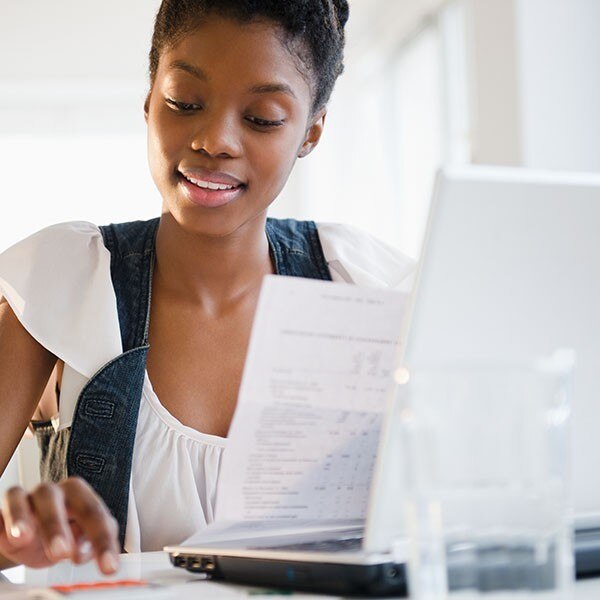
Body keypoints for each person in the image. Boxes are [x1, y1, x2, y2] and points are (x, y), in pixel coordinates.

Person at [0, 0, 413, 576]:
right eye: (184, 103)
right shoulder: (60, 288)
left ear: (310, 132)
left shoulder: (364, 287)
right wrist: (14, 542)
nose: (215, 139)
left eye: (263, 117)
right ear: (149, 102)